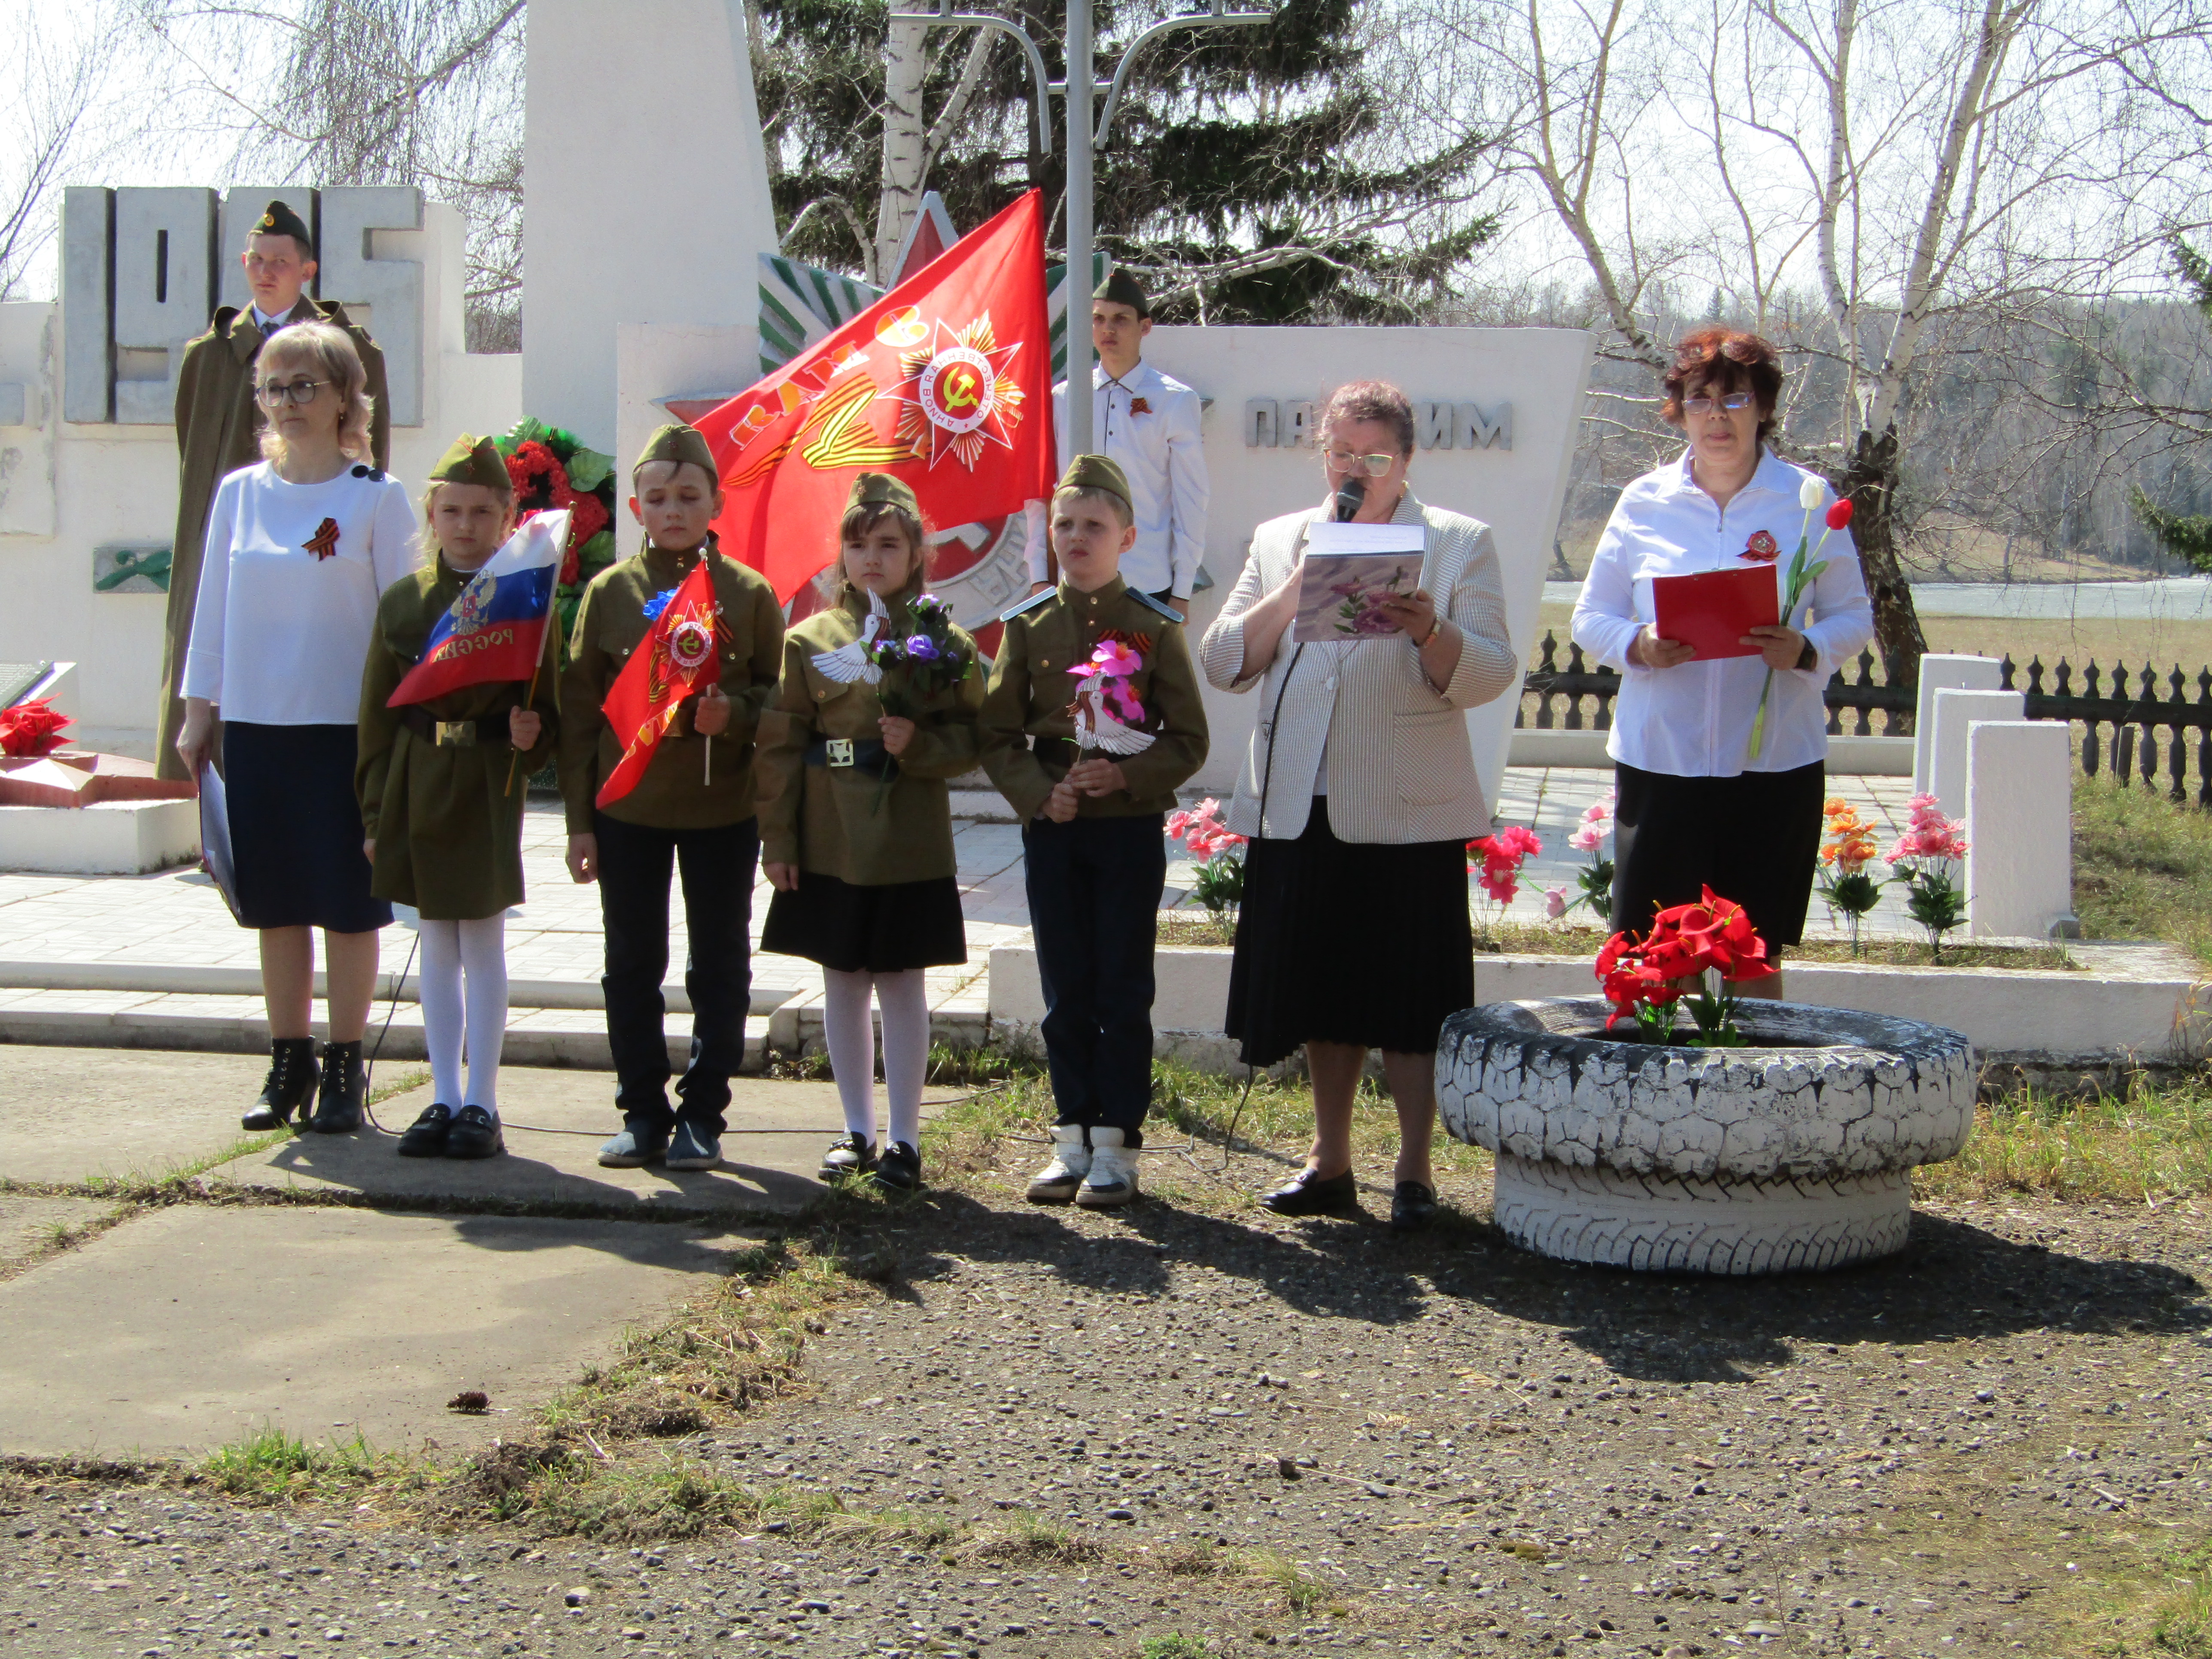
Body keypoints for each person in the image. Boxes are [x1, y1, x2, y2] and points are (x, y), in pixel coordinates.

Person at [1199, 380, 1519, 1230]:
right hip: (1301, 802)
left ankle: (1413, 1171)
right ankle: (1328, 1161)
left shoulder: (1454, 542)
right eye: (1342, 454)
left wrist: (1427, 630)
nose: (1356, 469)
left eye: (1374, 456)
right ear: (1323, 456)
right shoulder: (1278, 540)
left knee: (1408, 996)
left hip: (1406, 808)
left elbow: (1490, 673)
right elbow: (1223, 659)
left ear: (1405, 460)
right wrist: (1302, 577)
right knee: (1320, 990)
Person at [1570, 328, 1873, 987]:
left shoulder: (1808, 502)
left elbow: (1855, 616)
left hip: (1770, 765)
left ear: (1763, 409)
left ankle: (1757, 1084)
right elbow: (1590, 617)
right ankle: (1659, 1084)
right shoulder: (1644, 501)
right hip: (1664, 760)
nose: (1717, 417)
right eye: (1700, 400)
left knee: (1752, 956)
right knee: (1658, 955)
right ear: (1679, 409)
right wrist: (1639, 646)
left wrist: (1807, 647)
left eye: (1735, 400)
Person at [175, 321, 413, 1133]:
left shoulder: (375, 494)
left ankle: (347, 1063)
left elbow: (404, 624)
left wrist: (404, 729)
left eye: (306, 385)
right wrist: (197, 709)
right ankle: (289, 1059)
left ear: (347, 394)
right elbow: (211, 608)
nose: (288, 402)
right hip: (256, 725)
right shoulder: (240, 492)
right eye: (275, 388)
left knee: (348, 904)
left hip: (346, 731)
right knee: (275, 904)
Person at [981, 454, 1209, 1209]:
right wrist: (1039, 794)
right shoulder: (1028, 626)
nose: (1077, 537)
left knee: (1121, 984)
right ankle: (1071, 1134)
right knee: (1064, 987)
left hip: (1126, 831)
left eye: (1094, 525)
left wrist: (1129, 775)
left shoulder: (1150, 626)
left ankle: (1119, 1144)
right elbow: (996, 733)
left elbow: (1187, 737)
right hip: (1057, 829)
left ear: (1126, 535)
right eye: (1065, 524)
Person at [559, 423, 785, 1173]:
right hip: (629, 806)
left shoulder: (747, 594)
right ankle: (643, 1110)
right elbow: (581, 711)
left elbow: (779, 699)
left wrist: (739, 712)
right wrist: (578, 822)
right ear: (635, 506)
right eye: (657, 497)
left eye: (689, 496)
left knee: (718, 962)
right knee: (631, 962)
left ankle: (704, 1110)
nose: (674, 509)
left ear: (716, 501)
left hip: (723, 806)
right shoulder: (609, 592)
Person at [757, 474, 985, 1193]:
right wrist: (779, 839)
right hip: (829, 831)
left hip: (907, 830)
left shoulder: (943, 641)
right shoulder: (811, 639)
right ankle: (855, 1128)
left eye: (888, 544)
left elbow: (977, 732)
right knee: (841, 979)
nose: (872, 559)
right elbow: (779, 745)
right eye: (857, 545)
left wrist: (919, 742)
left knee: (901, 979)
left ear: (918, 552)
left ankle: (906, 1138)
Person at [357, 436, 561, 1161]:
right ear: (431, 515)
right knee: (434, 942)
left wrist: (531, 737)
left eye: (482, 511)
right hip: (416, 777)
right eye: (451, 510)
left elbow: (550, 718)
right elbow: (377, 719)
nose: (466, 525)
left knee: (482, 940)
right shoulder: (406, 602)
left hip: (483, 779)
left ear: (509, 517)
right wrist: (376, 813)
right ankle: (441, 1094)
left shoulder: (526, 599)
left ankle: (482, 1099)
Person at [160, 199, 391, 780]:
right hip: (244, 544)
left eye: (280, 261)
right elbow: (192, 457)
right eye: (256, 260)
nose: (265, 271)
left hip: (321, 553)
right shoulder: (208, 356)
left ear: (307, 270)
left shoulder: (351, 349)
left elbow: (368, 450)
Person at [1021, 270, 1208, 615]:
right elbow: (1042, 491)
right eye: (1099, 319)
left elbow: (1191, 500)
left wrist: (1182, 589)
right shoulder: (1064, 398)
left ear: (1145, 327)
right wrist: (1038, 576)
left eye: (1121, 320)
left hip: (1147, 584)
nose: (1108, 330)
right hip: (1072, 582)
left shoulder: (1174, 401)